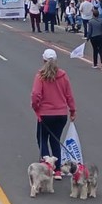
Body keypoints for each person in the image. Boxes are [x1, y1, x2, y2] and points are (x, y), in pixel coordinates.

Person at [31, 49, 76, 177]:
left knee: (42, 138)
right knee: (55, 140)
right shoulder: (63, 75)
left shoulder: (40, 76)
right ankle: (57, 171)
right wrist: (72, 110)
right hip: (61, 114)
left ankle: (46, 166)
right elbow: (69, 95)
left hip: (45, 114)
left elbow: (35, 95)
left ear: (43, 60)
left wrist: (36, 107)